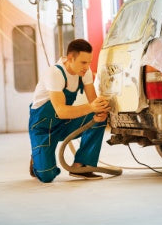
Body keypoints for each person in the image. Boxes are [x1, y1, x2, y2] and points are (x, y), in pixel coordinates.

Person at [28, 38, 111, 183]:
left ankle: (82, 165)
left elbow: (93, 102)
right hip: (43, 127)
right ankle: (37, 158)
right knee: (47, 176)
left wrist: (101, 110)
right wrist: (92, 107)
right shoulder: (55, 73)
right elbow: (61, 111)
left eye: (89, 62)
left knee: (98, 117)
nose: (87, 67)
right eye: (83, 62)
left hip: (64, 123)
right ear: (70, 58)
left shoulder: (84, 72)